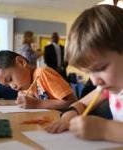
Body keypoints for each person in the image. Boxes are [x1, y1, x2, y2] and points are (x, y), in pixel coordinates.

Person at [46, 5, 123, 143]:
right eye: (88, 73)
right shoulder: (109, 88)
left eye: (100, 68)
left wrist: (104, 129)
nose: (94, 81)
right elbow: (83, 103)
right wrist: (70, 114)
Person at [0, 50, 77, 109]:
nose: (12, 86)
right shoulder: (26, 87)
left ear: (21, 62)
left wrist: (37, 104)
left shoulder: (42, 74)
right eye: (8, 86)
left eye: (10, 79)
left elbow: (72, 102)